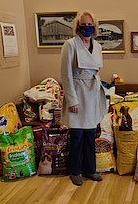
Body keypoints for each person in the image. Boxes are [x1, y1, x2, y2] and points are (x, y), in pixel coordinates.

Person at [61, 11, 107, 186]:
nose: (87, 27)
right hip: (78, 93)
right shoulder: (70, 45)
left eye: (90, 24)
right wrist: (72, 100)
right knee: (77, 135)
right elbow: (65, 74)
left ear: (95, 26)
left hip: (93, 92)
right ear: (77, 26)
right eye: (84, 24)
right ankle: (75, 171)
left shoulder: (98, 46)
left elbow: (96, 70)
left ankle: (90, 170)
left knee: (90, 135)